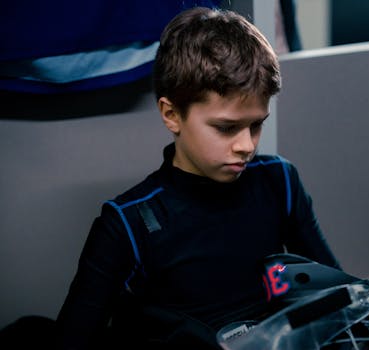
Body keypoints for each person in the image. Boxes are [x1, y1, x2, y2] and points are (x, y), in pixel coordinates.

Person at [55, 6, 340, 349]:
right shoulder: (126, 223)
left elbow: (336, 292)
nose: (246, 146)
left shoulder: (279, 180)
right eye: (226, 128)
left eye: (257, 124)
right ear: (171, 114)